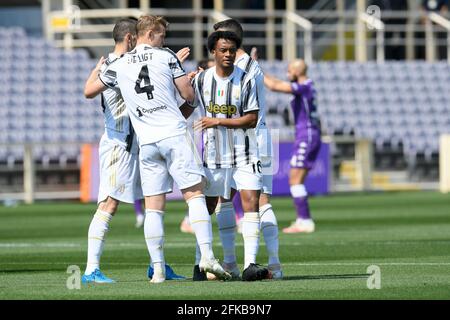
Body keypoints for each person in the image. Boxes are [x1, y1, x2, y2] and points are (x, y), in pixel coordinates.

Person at [84, 15, 230, 283]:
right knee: (195, 195)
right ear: (150, 33)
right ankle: (207, 257)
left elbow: (90, 90)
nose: (164, 39)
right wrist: (189, 80)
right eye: (162, 34)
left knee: (153, 208)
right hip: (170, 134)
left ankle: (159, 270)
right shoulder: (166, 56)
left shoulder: (119, 64)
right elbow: (187, 96)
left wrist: (96, 70)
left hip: (146, 142)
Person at [190, 30, 269, 281]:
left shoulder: (246, 80)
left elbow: (252, 118)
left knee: (251, 201)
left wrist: (218, 121)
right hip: (214, 155)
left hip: (246, 152)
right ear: (213, 52)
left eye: (232, 50)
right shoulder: (201, 80)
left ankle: (250, 265)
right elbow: (185, 104)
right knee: (210, 205)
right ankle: (201, 262)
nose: (228, 54)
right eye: (223, 50)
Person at [213, 19, 282, 279]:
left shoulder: (236, 69)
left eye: (217, 39)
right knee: (261, 200)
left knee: (228, 197)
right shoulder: (252, 65)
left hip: (242, 137)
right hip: (260, 135)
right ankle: (274, 264)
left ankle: (231, 262)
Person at [80, 19, 142, 284]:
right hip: (119, 143)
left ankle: (158, 265)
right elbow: (88, 92)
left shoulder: (110, 65)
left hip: (135, 143)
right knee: (109, 203)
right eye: (138, 38)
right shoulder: (119, 66)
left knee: (153, 200)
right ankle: (90, 269)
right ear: (129, 38)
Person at [264, 59, 321, 234]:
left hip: (307, 135)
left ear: (296, 71)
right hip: (307, 134)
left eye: (289, 71)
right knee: (296, 179)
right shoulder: (307, 87)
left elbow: (274, 86)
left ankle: (304, 220)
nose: (287, 74)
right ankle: (303, 219)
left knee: (295, 179)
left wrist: (256, 70)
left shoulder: (304, 87)